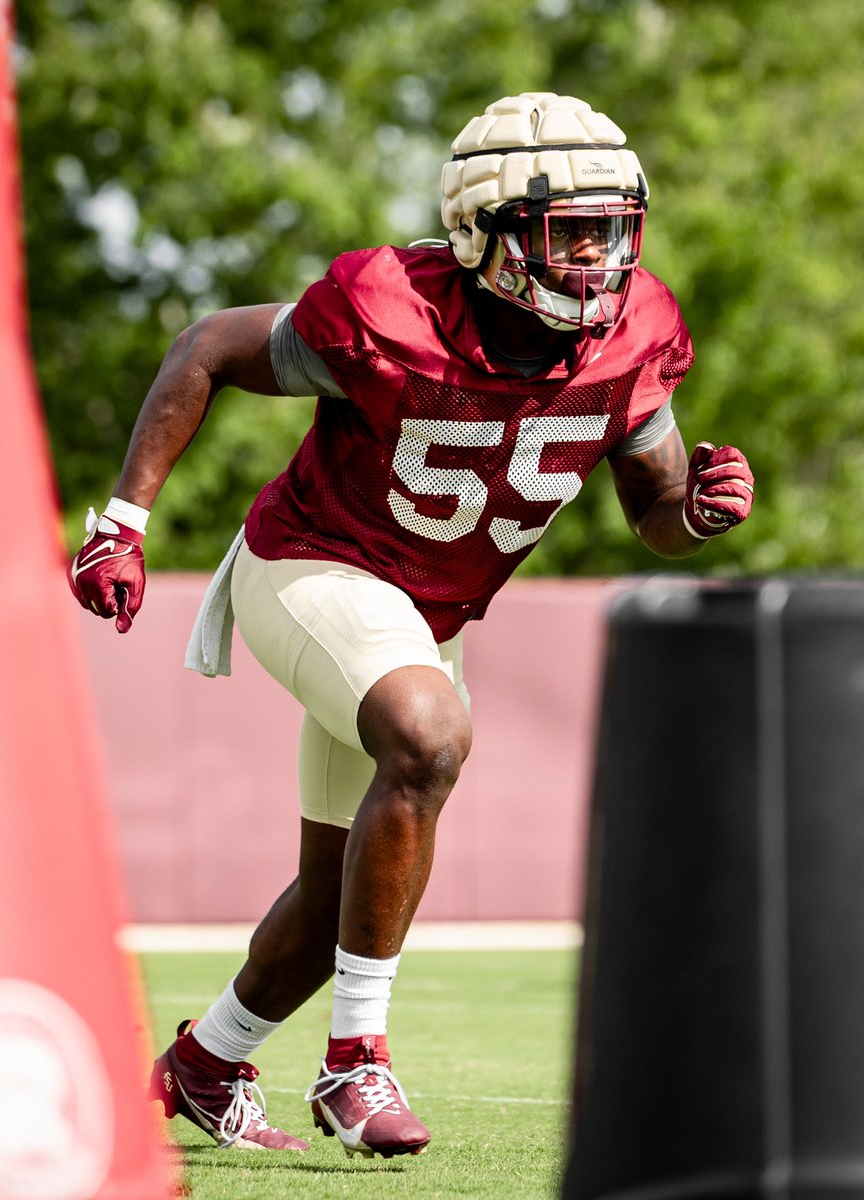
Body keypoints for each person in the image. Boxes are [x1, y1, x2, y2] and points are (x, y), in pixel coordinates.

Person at [67, 91, 754, 1160]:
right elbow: (207, 345)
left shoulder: (634, 337)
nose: (597, 258)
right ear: (487, 231)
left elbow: (654, 514)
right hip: (313, 566)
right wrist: (122, 522)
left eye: (612, 229)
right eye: (569, 231)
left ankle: (208, 1061)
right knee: (428, 737)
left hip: (426, 613)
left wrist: (696, 511)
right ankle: (356, 1069)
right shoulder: (389, 312)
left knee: (349, 881)